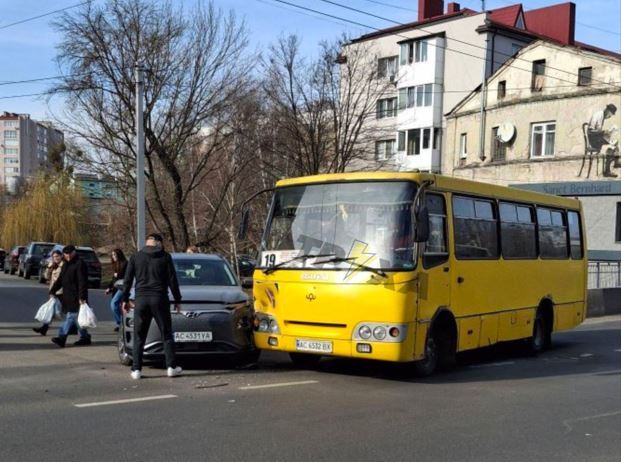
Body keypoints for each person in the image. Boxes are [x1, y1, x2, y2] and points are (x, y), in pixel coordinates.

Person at [121, 233, 182, 380]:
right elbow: (172, 280)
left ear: (147, 242)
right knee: (166, 334)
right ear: (159, 243)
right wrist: (178, 299)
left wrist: (124, 299)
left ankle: (136, 369)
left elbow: (127, 280)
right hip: (160, 298)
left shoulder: (136, 257)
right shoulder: (165, 257)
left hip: (141, 299)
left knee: (139, 335)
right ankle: (171, 367)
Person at [49, 245, 91, 348]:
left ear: (74, 252)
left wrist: (82, 297)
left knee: (71, 316)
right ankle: (85, 337)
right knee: (76, 318)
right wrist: (53, 290)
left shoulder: (79, 264)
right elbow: (60, 279)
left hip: (77, 296)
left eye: (69, 253)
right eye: (66, 254)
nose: (67, 256)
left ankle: (62, 337)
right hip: (67, 296)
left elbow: (82, 282)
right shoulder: (65, 264)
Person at [33, 250, 64, 336]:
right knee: (52, 310)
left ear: (61, 256)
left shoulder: (63, 266)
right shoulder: (54, 266)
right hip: (53, 291)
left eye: (57, 256)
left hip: (61, 292)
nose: (56, 258)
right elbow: (46, 277)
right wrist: (49, 268)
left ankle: (75, 328)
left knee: (63, 312)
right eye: (54, 257)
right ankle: (44, 328)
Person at [588, 103, 619, 177]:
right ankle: (607, 171)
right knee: (611, 146)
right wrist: (603, 132)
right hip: (593, 141)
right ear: (608, 111)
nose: (609, 117)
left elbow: (598, 131)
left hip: (597, 139)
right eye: (610, 115)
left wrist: (607, 133)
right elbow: (590, 131)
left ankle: (616, 162)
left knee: (615, 142)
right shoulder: (597, 115)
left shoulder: (602, 116)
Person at [105, 248, 128, 332]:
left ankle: (120, 323)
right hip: (117, 287)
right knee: (118, 306)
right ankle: (121, 323)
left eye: (115, 255)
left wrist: (117, 276)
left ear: (119, 255)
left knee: (114, 304)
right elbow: (113, 278)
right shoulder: (115, 264)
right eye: (112, 255)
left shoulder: (125, 264)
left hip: (123, 287)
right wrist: (109, 287)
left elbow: (125, 277)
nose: (114, 256)